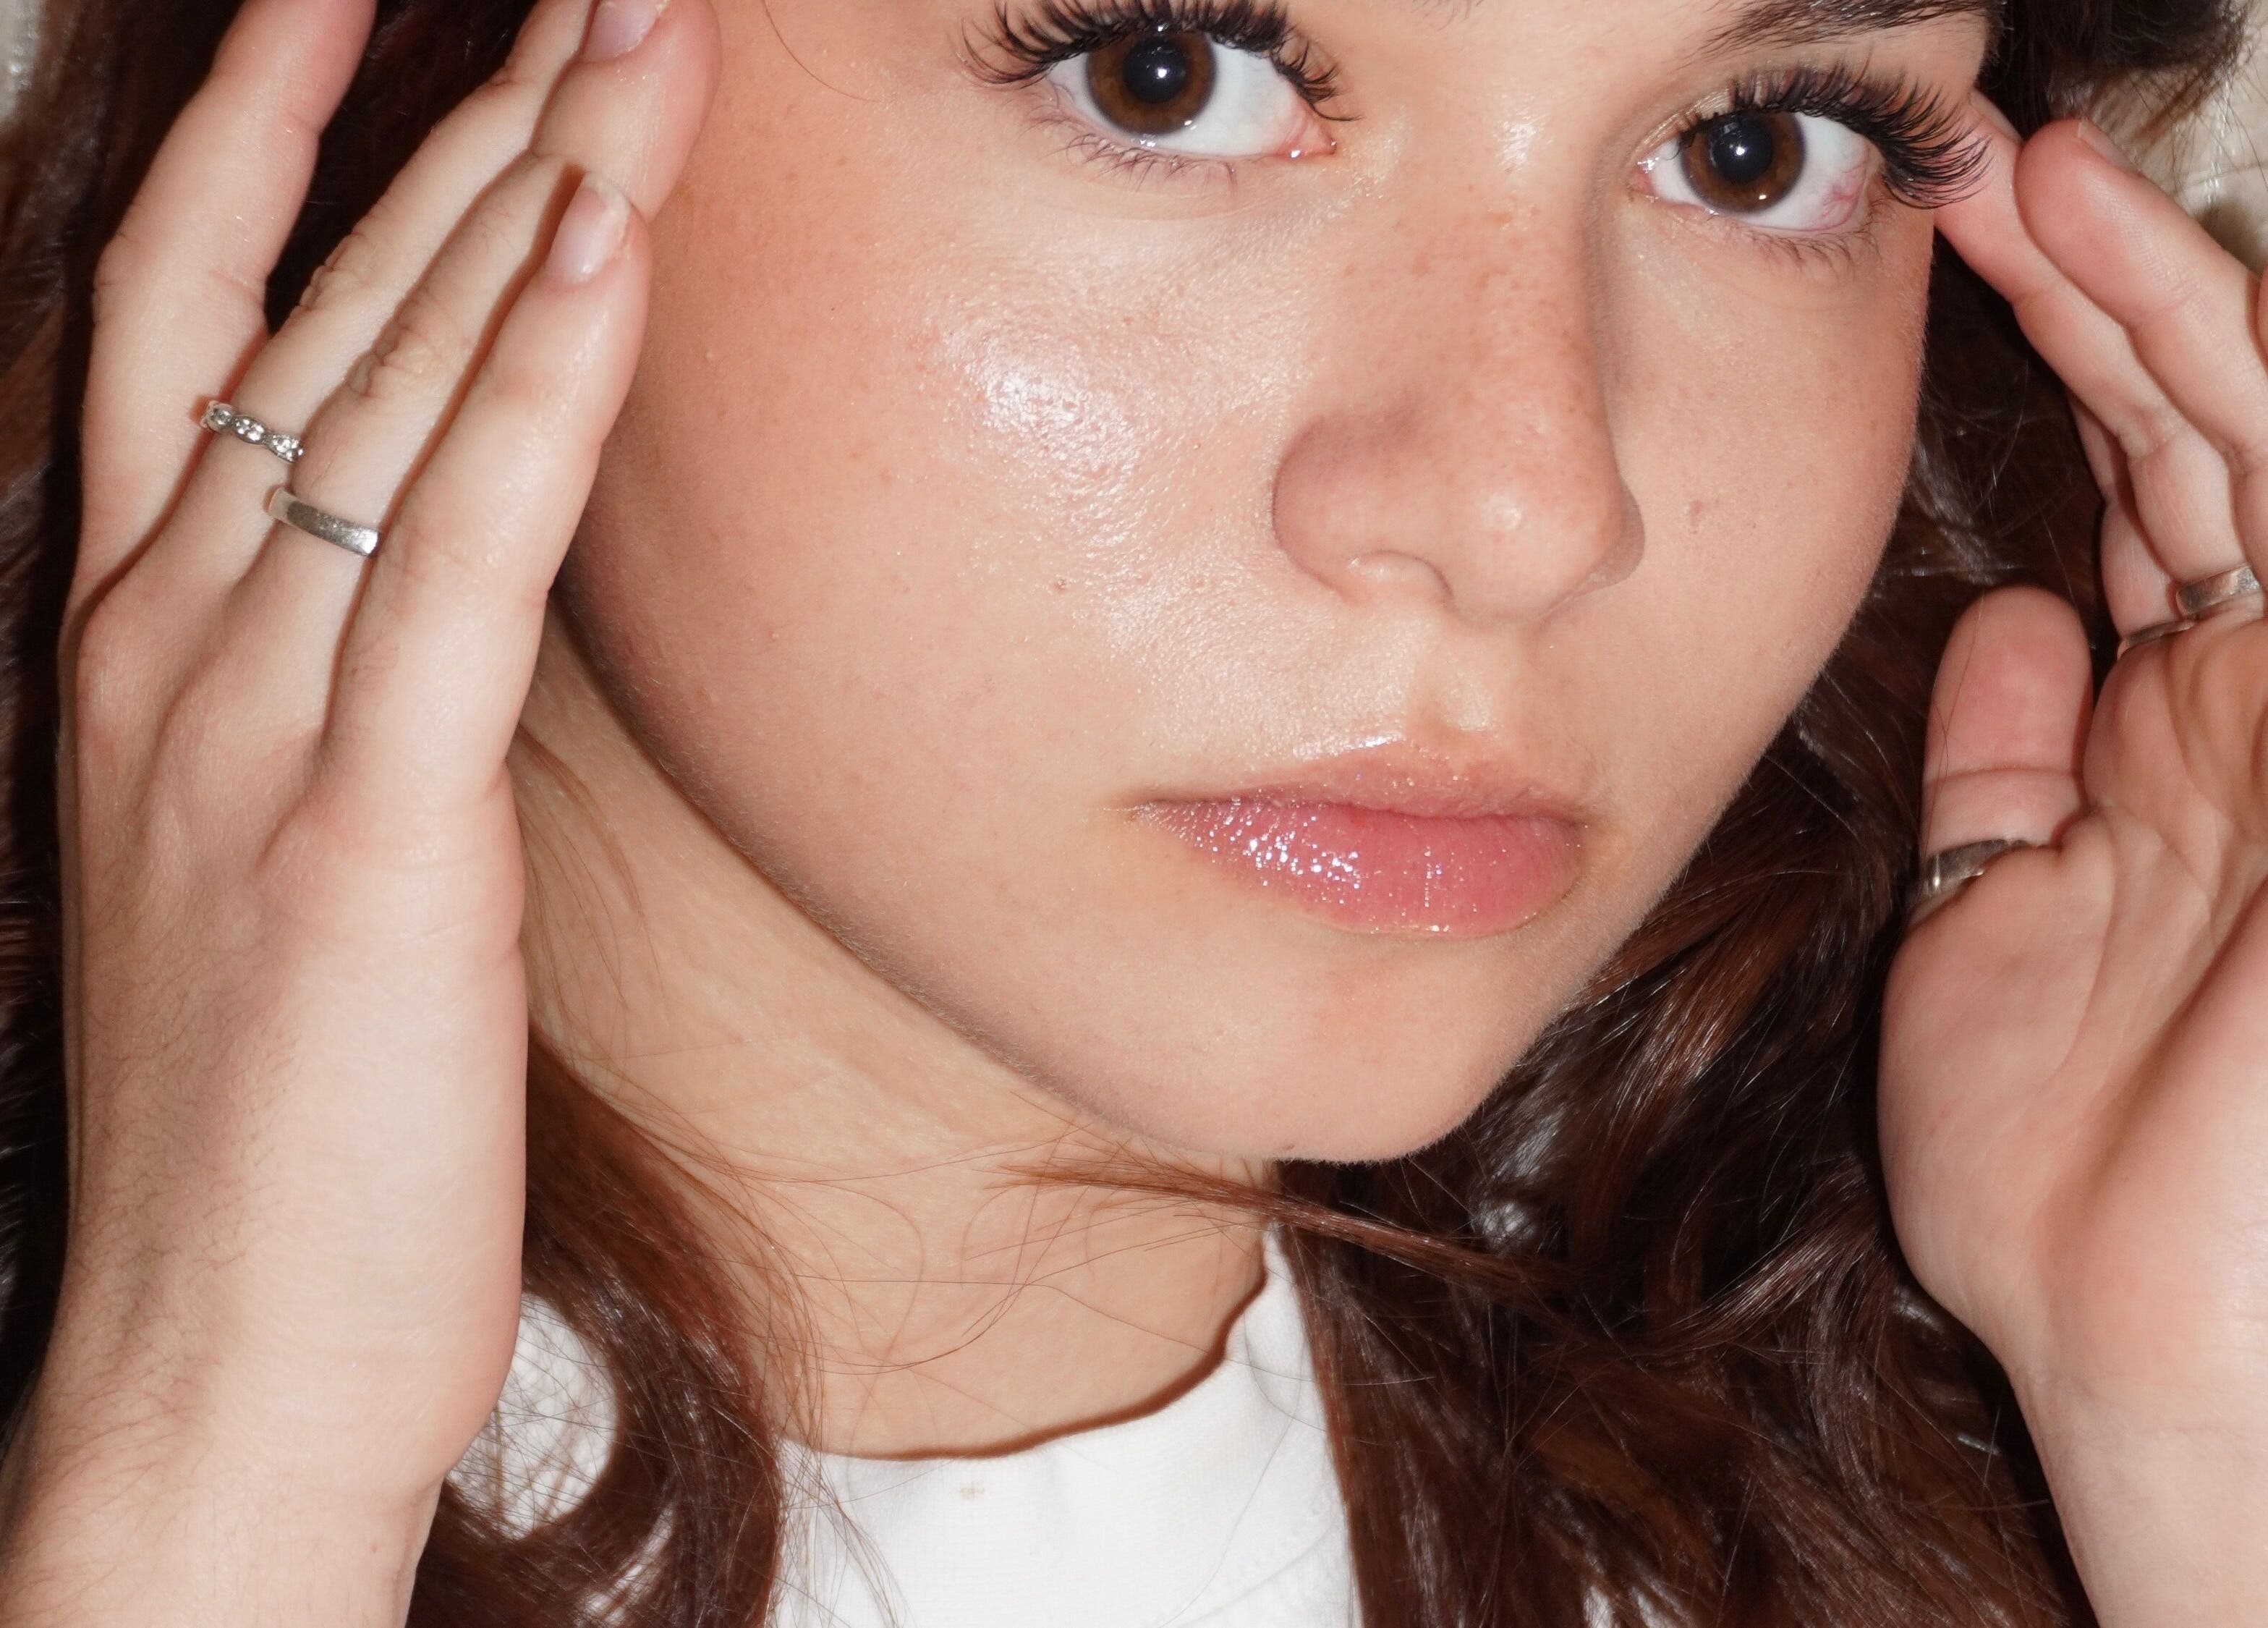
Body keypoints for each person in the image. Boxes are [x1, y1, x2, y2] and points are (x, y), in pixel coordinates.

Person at [0, 0, 2260, 1620]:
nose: (1531, 504)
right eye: (1164, 73)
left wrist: (2196, 1459)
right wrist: (213, 1478)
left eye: (1757, 145)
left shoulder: (1942, 1416)